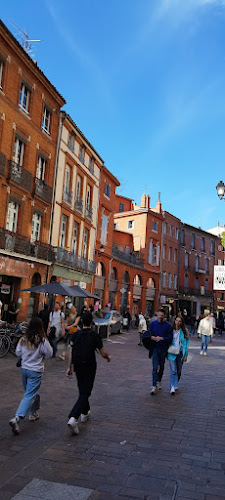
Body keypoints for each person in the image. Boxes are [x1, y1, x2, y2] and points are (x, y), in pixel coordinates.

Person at [66, 311, 111, 435]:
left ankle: (85, 413)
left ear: (81, 321)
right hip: (90, 365)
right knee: (86, 392)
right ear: (91, 322)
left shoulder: (75, 335)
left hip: (78, 365)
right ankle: (73, 417)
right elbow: (102, 352)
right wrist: (107, 357)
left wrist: (69, 367)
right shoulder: (95, 336)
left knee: (82, 390)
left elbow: (70, 353)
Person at [9, 317, 52, 435]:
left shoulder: (24, 339)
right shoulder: (42, 340)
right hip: (36, 371)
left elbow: (18, 352)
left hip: (24, 369)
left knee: (31, 392)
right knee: (29, 394)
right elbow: (49, 354)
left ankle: (33, 413)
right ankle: (17, 418)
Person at [148, 309, 173, 394]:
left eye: (162, 315)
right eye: (159, 315)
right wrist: (152, 337)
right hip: (155, 348)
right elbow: (149, 334)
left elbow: (170, 337)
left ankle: (159, 380)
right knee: (155, 367)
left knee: (161, 367)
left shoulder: (168, 326)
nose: (160, 317)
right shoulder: (153, 324)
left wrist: (162, 338)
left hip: (163, 349)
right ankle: (154, 385)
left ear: (164, 316)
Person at [168, 316, 189, 395]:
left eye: (179, 321)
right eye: (176, 320)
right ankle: (172, 386)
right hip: (171, 352)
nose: (177, 322)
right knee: (173, 370)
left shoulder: (184, 331)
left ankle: (175, 383)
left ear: (181, 323)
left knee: (178, 371)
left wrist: (186, 354)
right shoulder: (170, 330)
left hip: (180, 353)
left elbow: (186, 344)